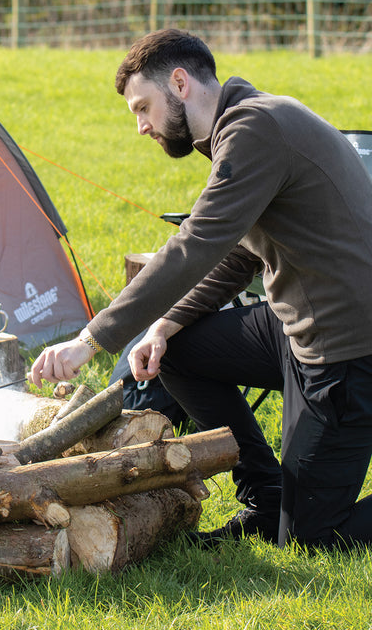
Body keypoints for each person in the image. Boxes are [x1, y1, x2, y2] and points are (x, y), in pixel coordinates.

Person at [29, 28, 372, 549]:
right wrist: (163, 326)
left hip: (348, 351)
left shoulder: (254, 128)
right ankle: (267, 493)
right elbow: (238, 252)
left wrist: (91, 339)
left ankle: (293, 513)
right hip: (300, 327)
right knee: (175, 350)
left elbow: (197, 243)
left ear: (181, 83)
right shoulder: (248, 122)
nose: (142, 127)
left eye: (143, 107)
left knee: (312, 538)